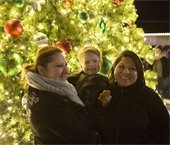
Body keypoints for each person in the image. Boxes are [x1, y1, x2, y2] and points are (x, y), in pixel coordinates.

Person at [21, 46, 93, 144]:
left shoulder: (37, 86)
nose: (66, 71)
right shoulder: (51, 105)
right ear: (42, 70)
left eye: (65, 65)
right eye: (59, 66)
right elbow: (82, 139)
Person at [99, 50, 169, 144]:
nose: (126, 71)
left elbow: (166, 131)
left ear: (139, 73)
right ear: (114, 68)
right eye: (121, 66)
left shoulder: (149, 96)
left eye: (132, 68)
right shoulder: (104, 92)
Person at [67, 46, 110, 143]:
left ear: (100, 62)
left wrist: (105, 103)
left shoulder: (106, 82)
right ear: (80, 64)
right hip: (76, 119)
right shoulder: (72, 79)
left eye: (95, 61)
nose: (91, 65)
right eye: (87, 62)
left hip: (95, 122)